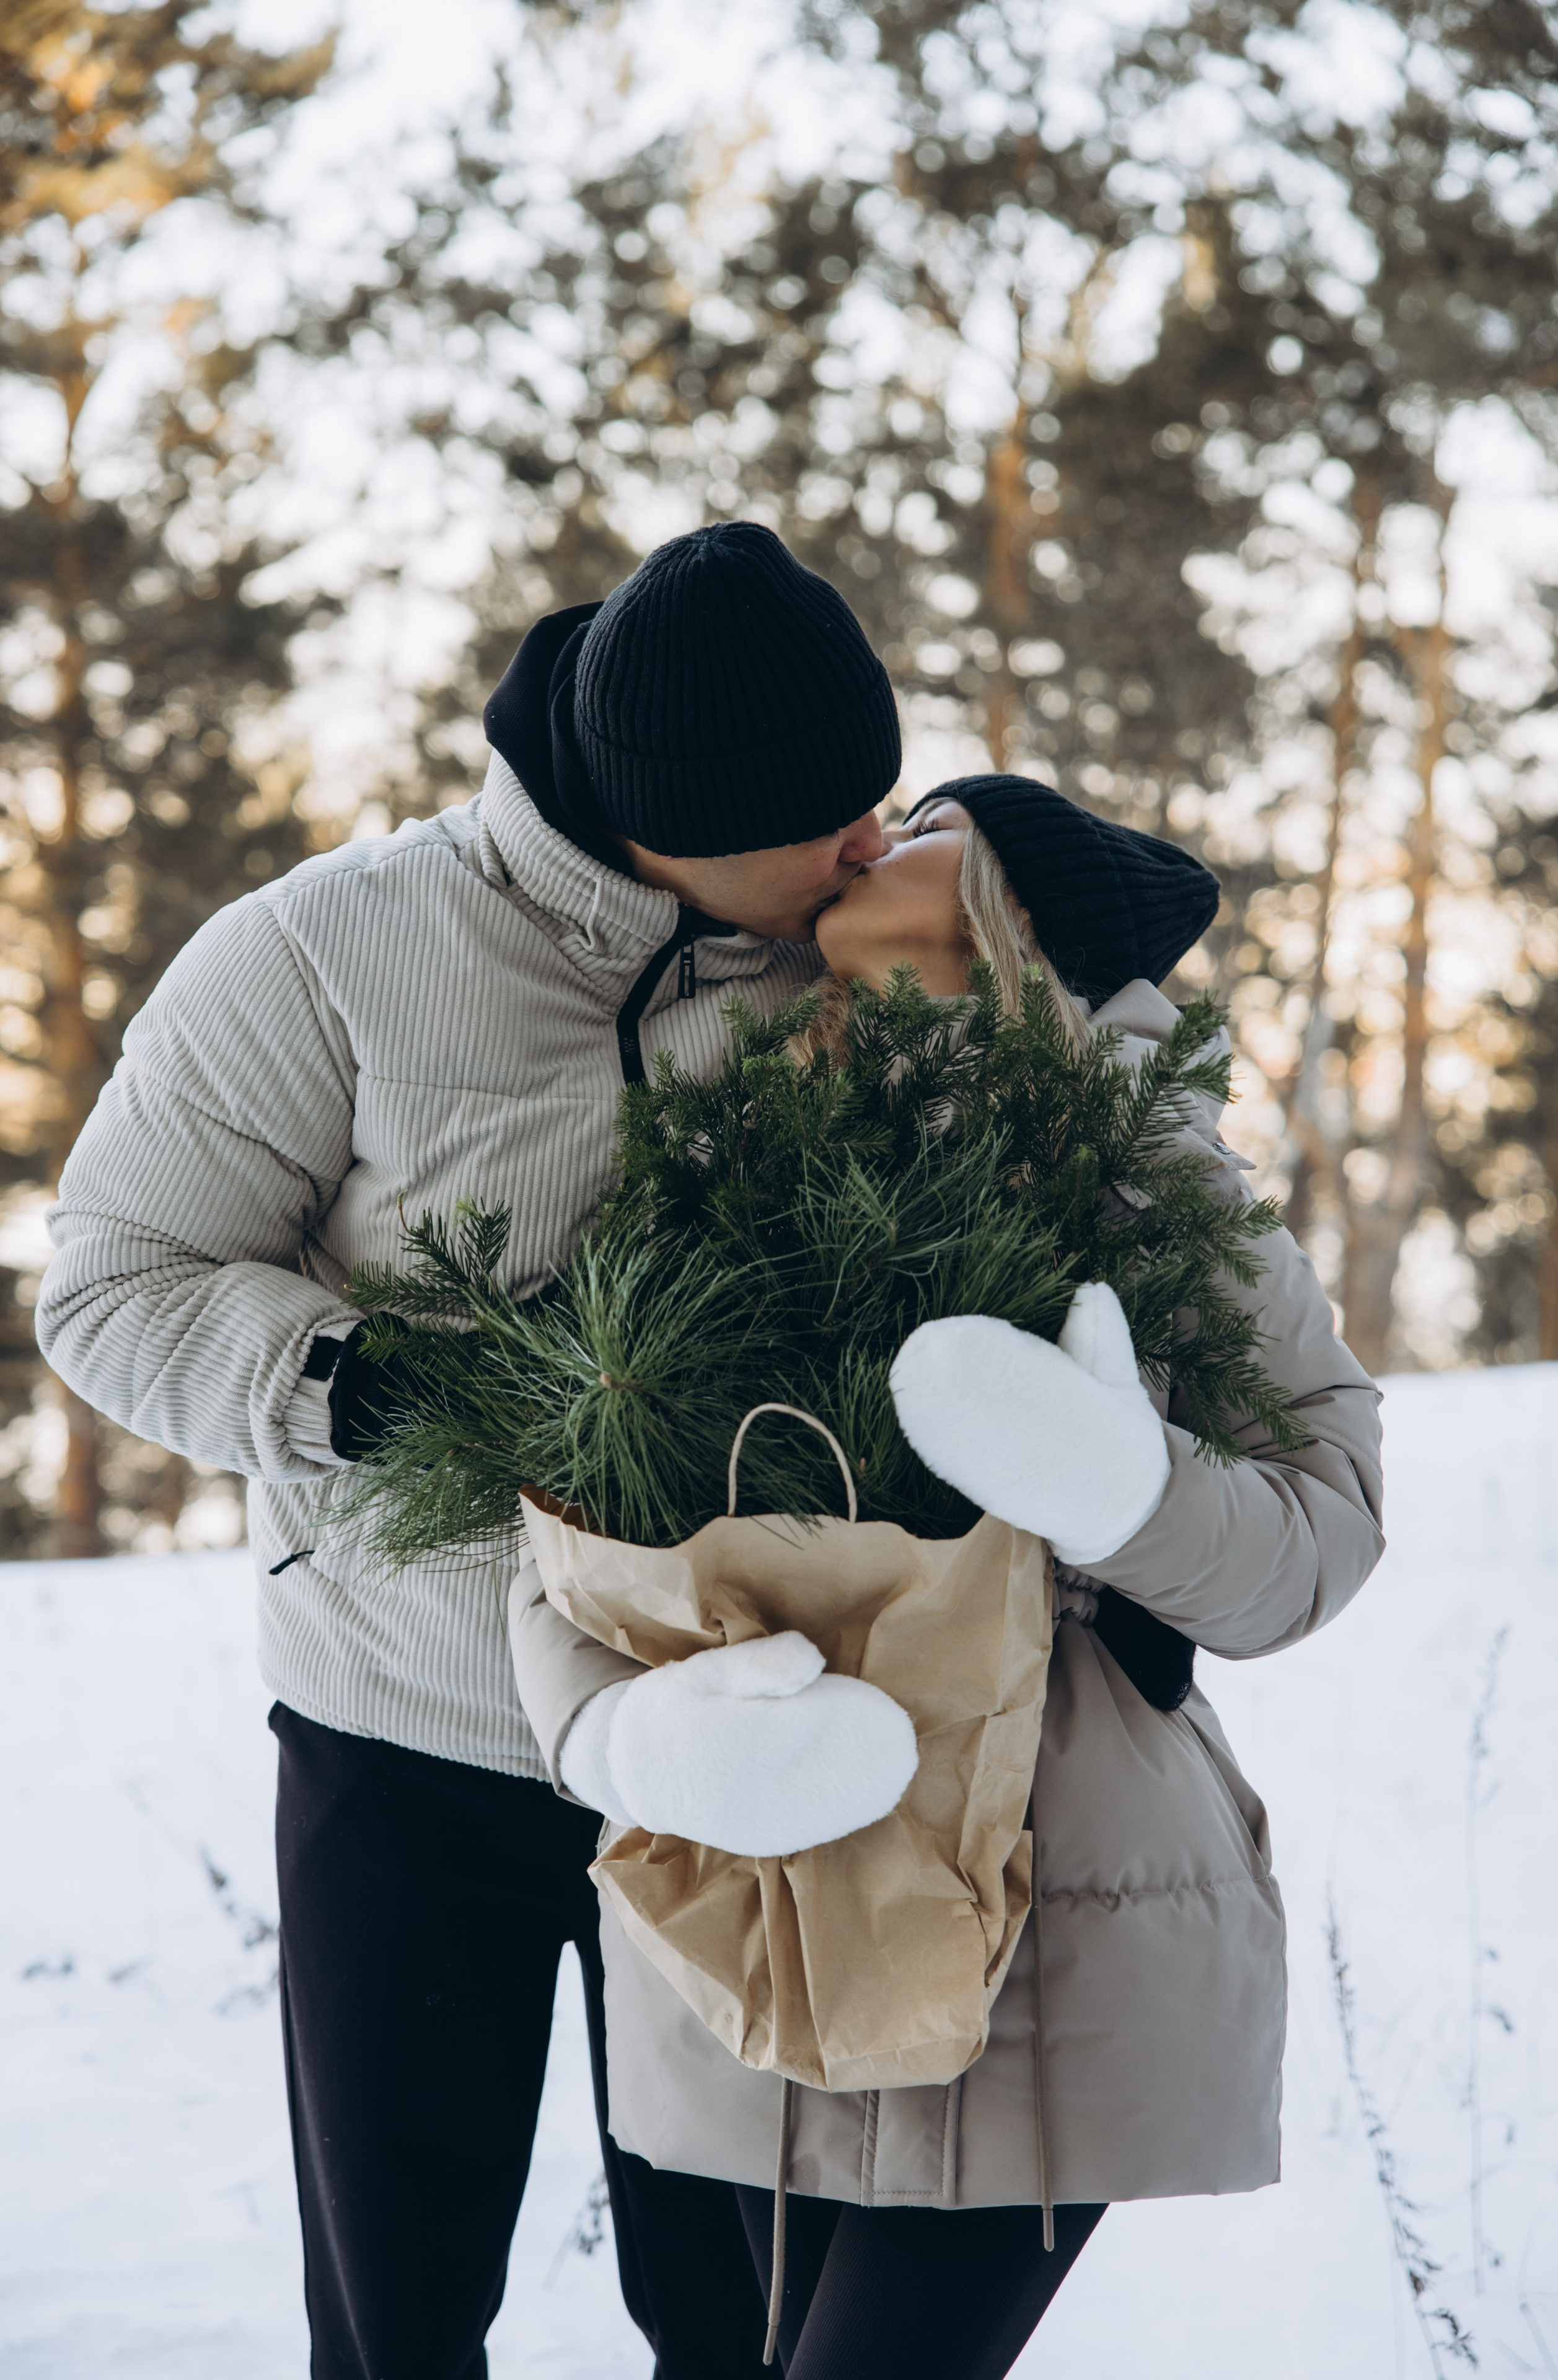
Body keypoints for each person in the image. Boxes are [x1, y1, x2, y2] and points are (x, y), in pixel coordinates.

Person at [37, 522, 910, 2379]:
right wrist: (357, 1392)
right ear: (678, 819)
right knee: (403, 2306)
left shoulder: (858, 950)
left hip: (731, 1743)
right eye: (833, 818)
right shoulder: (325, 953)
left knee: (747, 2314)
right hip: (404, 1736)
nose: (872, 846)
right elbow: (113, 1280)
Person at [511, 775, 1386, 2380]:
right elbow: (570, 1534)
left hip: (1046, 1930)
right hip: (765, 1902)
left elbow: (1317, 1542)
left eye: (920, 824)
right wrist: (623, 1745)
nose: (864, 833)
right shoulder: (739, 1143)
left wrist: (1118, 1492)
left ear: (1017, 909)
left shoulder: (1151, 1173)